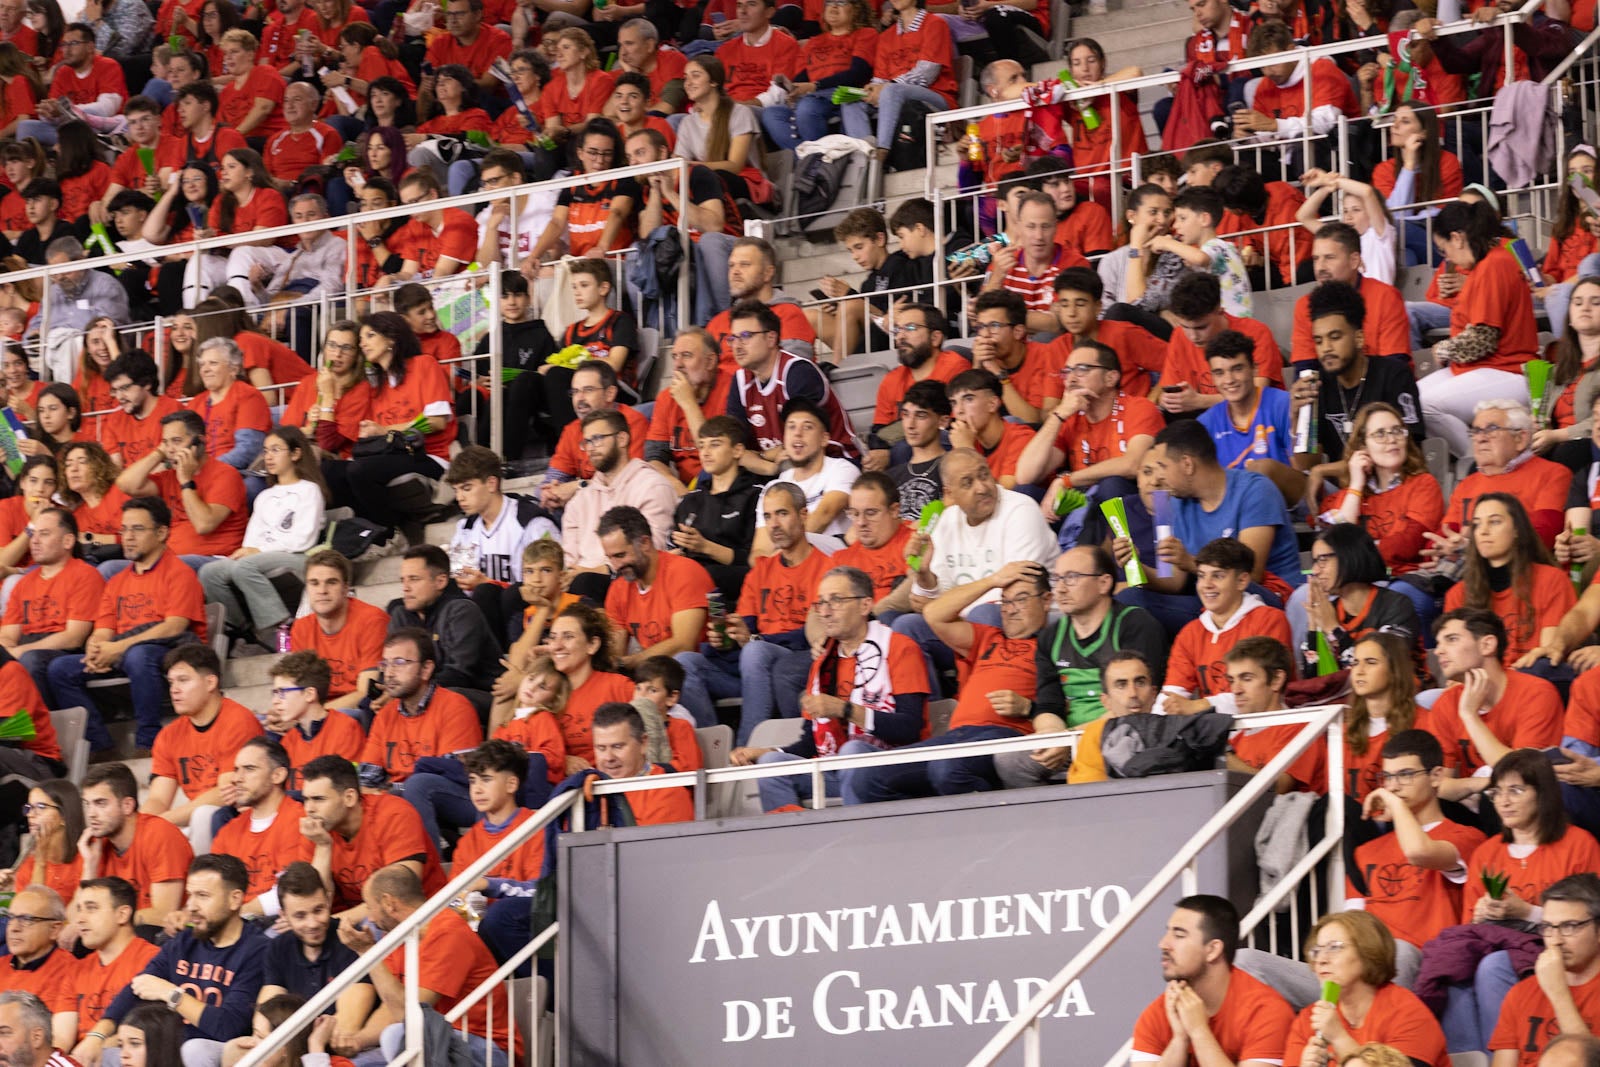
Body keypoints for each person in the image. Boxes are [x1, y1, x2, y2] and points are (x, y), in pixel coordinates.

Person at [852, 561, 1067, 803]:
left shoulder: (1057, 646)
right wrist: (992, 580)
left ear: (1047, 600)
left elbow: (1067, 707)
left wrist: (1027, 707)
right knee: (866, 776)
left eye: (1021, 599)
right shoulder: (989, 637)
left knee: (946, 768)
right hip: (956, 736)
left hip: (1005, 735)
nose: (1010, 609)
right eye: (1005, 601)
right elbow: (934, 614)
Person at [732, 565, 929, 810]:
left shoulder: (899, 647)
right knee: (772, 764)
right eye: (821, 603)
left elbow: (909, 729)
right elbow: (812, 741)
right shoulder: (824, 661)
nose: (825, 612)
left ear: (865, 605)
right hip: (837, 769)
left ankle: (857, 837)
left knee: (853, 751)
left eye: (836, 601)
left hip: (894, 768)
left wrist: (845, 710)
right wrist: (767, 750)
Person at [1446, 753, 1600, 1056]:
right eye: (1496, 792)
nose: (1503, 801)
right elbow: (1469, 929)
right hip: (1498, 944)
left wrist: (1526, 911)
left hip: (1554, 946)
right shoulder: (1486, 853)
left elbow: (1590, 917)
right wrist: (1480, 916)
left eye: (1515, 790)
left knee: (1494, 966)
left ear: (1543, 793)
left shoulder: (1579, 844)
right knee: (1450, 971)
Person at [49, 496, 207, 755]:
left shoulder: (180, 573)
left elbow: (174, 627)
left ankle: (147, 741)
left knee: (138, 655)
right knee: (59, 669)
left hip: (169, 653)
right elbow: (102, 630)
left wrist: (118, 647)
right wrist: (96, 650)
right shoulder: (117, 581)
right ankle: (101, 747)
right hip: (122, 652)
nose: (127, 537)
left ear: (162, 532)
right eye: (124, 529)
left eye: (137, 529)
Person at [1117, 420, 1304, 634]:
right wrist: (1134, 566)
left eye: (1163, 468)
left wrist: (1190, 562)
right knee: (1129, 599)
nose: (1160, 478)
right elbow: (1174, 582)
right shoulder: (1176, 503)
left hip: (1264, 601)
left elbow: (1249, 576)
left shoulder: (1255, 490)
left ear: (1187, 464)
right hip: (1209, 603)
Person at [676, 482, 829, 739]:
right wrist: (727, 639)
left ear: (803, 515)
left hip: (795, 663)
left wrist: (755, 640)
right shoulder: (761, 570)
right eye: (767, 517)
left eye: (782, 513)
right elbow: (746, 627)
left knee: (756, 651)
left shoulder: (827, 568)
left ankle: (745, 751)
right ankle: (715, 748)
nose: (774, 525)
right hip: (751, 668)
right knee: (685, 662)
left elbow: (815, 637)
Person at [88, 854, 263, 1065]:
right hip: (172, 1046)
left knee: (195, 1050)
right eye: (190, 895)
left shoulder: (257, 950)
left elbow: (228, 1026)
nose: (191, 905)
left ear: (234, 899)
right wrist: (97, 1036)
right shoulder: (185, 940)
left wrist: (171, 994)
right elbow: (137, 987)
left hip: (220, 1051)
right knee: (109, 1054)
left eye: (203, 895)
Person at [336, 864, 517, 1067]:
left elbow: (411, 1015)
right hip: (438, 1040)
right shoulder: (400, 937)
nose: (369, 918)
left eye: (370, 907)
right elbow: (391, 1006)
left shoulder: (448, 932)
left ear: (389, 903)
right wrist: (358, 1040)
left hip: (487, 1048)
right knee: (352, 1064)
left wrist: (367, 953)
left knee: (395, 1036)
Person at [1349, 729, 1486, 982]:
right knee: (1251, 961)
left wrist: (1395, 804)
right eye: (1387, 777)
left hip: (1425, 963)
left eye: (1405, 775)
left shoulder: (1467, 838)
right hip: (1364, 970)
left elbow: (1418, 852)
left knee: (1398, 951)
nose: (1393, 786)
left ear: (1436, 776)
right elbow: (1352, 925)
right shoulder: (1366, 851)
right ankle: (1335, 1005)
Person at [1421, 199, 1541, 458]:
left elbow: (1482, 340)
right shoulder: (1485, 263)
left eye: (1444, 250)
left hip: (1510, 370)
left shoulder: (1494, 264)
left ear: (1457, 238)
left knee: (1425, 405)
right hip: (1488, 367)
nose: (1448, 258)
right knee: (1410, 397)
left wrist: (1443, 349)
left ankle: (1479, 462)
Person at [198, 426, 327, 652]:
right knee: (210, 572)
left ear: (295, 454)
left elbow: (303, 539)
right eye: (266, 451)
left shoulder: (310, 490)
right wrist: (246, 551)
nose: (268, 457)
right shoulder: (264, 496)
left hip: (297, 556)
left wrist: (257, 553)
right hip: (260, 557)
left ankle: (277, 627)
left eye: (276, 450)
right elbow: (252, 538)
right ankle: (243, 629)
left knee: (244, 566)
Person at [1130, 894, 1294, 1065]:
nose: (1163, 944)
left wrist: (1199, 1031)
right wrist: (1180, 1040)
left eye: (1179, 935)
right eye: (1167, 933)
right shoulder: (1159, 1013)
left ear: (1212, 950)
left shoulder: (1267, 1011)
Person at [1281, 911, 1448, 1067]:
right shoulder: (1308, 1020)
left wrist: (1339, 1038)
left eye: (1334, 947)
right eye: (1316, 951)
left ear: (1367, 951)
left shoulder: (1407, 1012)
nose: (1321, 959)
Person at [1292, 285, 1424, 475]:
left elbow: (1403, 451)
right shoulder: (1318, 385)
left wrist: (1324, 470)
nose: (1326, 348)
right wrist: (1299, 419)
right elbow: (1306, 465)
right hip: (1341, 492)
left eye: (1335, 337)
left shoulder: (1394, 375)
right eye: (1319, 341)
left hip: (1390, 484)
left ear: (1359, 338)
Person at [144, 645, 262, 851]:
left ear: (210, 682)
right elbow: (158, 798)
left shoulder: (238, 721)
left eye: (183, 680)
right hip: (194, 818)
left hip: (240, 816)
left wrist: (163, 823)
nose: (174, 689)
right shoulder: (169, 735)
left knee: (203, 815)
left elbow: (225, 794)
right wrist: (142, 826)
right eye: (171, 682)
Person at [298, 754, 446, 916]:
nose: (309, 809)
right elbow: (315, 906)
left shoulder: (394, 814)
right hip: (352, 922)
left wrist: (333, 922)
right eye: (306, 799)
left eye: (318, 799)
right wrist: (323, 847)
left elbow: (399, 896)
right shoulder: (317, 831)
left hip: (418, 916)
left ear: (349, 797)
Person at [1159, 538, 1294, 714]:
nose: (1206, 585)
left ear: (1242, 581)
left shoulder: (1269, 620)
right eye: (1201, 576)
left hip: (1270, 726)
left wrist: (1198, 706)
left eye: (1218, 576)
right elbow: (1171, 695)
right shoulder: (1190, 632)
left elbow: (1259, 694)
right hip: (1216, 731)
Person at [1428, 610, 1564, 781]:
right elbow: (1437, 785)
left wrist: (1470, 716)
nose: (1438, 651)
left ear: (1487, 645)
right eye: (1438, 643)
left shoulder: (1537, 694)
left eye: (1452, 639)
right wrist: (1473, 786)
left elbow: (1523, 778)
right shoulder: (1446, 703)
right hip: (1469, 801)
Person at [442, 445, 558, 645]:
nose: (460, 497)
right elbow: (461, 579)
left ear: (491, 483)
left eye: (467, 488)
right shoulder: (466, 528)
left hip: (531, 612)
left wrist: (488, 583)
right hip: (488, 612)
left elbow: (548, 581)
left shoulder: (531, 521)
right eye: (456, 490)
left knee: (491, 593)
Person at [725, 300, 860, 471]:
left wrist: (758, 457)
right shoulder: (740, 380)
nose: (737, 345)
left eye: (745, 336)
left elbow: (802, 442)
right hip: (778, 466)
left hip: (834, 461)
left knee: (788, 466)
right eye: (732, 338)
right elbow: (733, 448)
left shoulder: (797, 372)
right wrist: (765, 462)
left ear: (771, 338)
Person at [1444, 494, 1574, 667]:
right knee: (1428, 696)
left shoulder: (1552, 580)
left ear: (1517, 530)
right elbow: (1457, 666)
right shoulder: (1458, 594)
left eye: (1495, 521)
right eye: (1477, 524)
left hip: (1532, 682)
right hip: (1478, 686)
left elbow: (1548, 655)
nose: (1483, 531)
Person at [558, 409, 679, 592]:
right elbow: (568, 560)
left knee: (585, 582)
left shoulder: (652, 486)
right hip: (580, 585)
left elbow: (650, 552)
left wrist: (595, 571)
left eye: (597, 438)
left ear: (622, 439)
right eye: (586, 442)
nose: (590, 448)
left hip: (629, 581)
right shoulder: (580, 500)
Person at [113, 409, 249, 571]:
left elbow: (204, 524)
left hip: (213, 560)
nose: (170, 449)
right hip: (168, 559)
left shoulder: (225, 475)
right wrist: (159, 453)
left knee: (167, 566)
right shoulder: (169, 476)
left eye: (176, 441)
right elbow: (126, 484)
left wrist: (186, 481)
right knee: (109, 569)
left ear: (200, 442)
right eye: (166, 442)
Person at [254, 863, 374, 1047]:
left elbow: (347, 1027)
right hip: (291, 1050)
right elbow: (265, 1018)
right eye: (300, 916)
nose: (312, 924)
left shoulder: (351, 941)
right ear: (284, 915)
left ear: (327, 901)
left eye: (318, 910)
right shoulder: (278, 947)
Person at [1487, 874, 1600, 1067]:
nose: (1555, 940)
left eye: (1570, 926)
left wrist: (1558, 994)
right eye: (1548, 927)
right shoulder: (1520, 994)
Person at [1288, 523, 1422, 674]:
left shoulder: (1396, 606)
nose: (1315, 570)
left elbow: (1379, 672)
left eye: (1323, 560)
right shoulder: (1328, 610)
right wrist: (1314, 628)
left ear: (1349, 556)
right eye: (1315, 562)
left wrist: (1333, 629)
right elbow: (1312, 679)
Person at [0, 507, 103, 702]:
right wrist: (7, 650)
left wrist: (20, 651)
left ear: (68, 541)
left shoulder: (85, 575)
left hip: (64, 652)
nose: (35, 541)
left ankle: (38, 730)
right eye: (33, 534)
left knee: (29, 660)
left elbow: (74, 638)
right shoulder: (24, 584)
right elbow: (7, 635)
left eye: (44, 534)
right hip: (27, 647)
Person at [362, 626, 485, 789]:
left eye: (399, 663)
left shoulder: (455, 707)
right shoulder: (385, 714)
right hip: (394, 803)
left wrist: (389, 791)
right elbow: (367, 780)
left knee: (419, 785)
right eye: (385, 664)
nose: (389, 673)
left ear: (426, 669)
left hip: (442, 804)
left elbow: (448, 782)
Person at [76, 763, 191, 936]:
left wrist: (103, 920)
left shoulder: (159, 834)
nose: (91, 814)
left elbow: (163, 915)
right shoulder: (97, 846)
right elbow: (77, 917)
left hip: (167, 937)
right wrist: (89, 868)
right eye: (87, 804)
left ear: (127, 805)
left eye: (100, 803)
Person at [599, 505, 713, 674]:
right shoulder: (619, 589)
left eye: (621, 555)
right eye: (610, 558)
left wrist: (631, 662)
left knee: (684, 661)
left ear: (645, 543)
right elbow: (615, 653)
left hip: (703, 669)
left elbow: (684, 644)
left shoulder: (684, 572)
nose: (616, 566)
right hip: (656, 678)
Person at [1196, 330, 1305, 507]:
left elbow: (1302, 470)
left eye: (1237, 369)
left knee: (1262, 469)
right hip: (1237, 512)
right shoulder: (1206, 423)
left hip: (1292, 502)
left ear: (1254, 368)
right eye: (1219, 373)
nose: (1229, 380)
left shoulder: (1283, 403)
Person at [209, 738, 313, 920]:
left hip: (279, 922)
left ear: (278, 776)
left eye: (249, 769)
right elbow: (213, 890)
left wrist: (230, 917)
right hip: (236, 923)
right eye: (236, 770)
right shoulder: (228, 831)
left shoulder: (301, 821)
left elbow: (290, 892)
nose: (236, 779)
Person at [387, 545, 501, 707]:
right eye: (403, 580)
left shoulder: (462, 611)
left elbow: (459, 673)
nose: (405, 587)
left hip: (479, 695)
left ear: (440, 581)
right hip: (425, 693)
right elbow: (392, 666)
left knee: (444, 697)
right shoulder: (402, 615)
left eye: (414, 579)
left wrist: (411, 691)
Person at [805, 206, 925, 361]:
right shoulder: (867, 284)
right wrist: (838, 309)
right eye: (851, 251)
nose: (855, 256)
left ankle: (837, 369)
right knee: (811, 316)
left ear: (880, 239)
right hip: (868, 337)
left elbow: (896, 313)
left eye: (859, 247)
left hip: (896, 333)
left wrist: (850, 297)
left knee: (850, 305)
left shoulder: (902, 264)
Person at [1156, 270, 1281, 416]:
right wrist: (1171, 400)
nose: (1193, 336)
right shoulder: (1178, 336)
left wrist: (1200, 401)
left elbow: (1257, 394)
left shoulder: (1256, 332)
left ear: (1219, 310)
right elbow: (1169, 387)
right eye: (1185, 327)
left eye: (1201, 327)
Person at [1289, 227, 1412, 371]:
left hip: (1383, 386)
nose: (1320, 267)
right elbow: (1305, 367)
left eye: (1329, 258)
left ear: (1354, 261)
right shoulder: (1304, 305)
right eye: (1316, 259)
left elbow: (1395, 364)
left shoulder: (1385, 297)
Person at [62, 878, 160, 1056]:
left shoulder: (153, 961)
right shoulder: (76, 968)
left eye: (91, 908)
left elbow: (149, 1032)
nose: (80, 919)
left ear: (122, 914)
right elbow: (61, 1037)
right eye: (79, 909)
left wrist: (98, 1047)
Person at [669, 415, 764, 597]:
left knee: (706, 578)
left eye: (715, 444)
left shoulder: (756, 496)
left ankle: (717, 623)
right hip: (690, 580)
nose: (705, 453)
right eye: (702, 445)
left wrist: (705, 547)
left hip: (733, 583)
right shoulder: (690, 501)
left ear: (737, 450)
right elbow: (673, 547)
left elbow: (755, 560)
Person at [867, 303, 966, 468]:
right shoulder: (891, 379)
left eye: (910, 328)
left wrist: (888, 447)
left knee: (904, 449)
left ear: (935, 338)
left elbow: (952, 423)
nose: (900, 337)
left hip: (947, 448)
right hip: (904, 453)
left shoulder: (954, 366)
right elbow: (880, 432)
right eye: (897, 330)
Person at [289, 550, 388, 712]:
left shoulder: (372, 620)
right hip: (316, 711)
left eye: (331, 582)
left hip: (357, 711)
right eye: (314, 583)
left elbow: (365, 694)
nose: (322, 590)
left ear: (345, 588)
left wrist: (312, 714)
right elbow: (299, 691)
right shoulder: (301, 628)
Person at [1132, 187, 1251, 322]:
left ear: (1204, 219)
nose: (1176, 225)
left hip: (1232, 320)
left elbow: (1200, 258)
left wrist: (1167, 244)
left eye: (1182, 218)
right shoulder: (1223, 248)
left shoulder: (1217, 246)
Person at [753, 399, 860, 547]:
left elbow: (823, 516)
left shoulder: (842, 469)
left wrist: (784, 556)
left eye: (807, 427)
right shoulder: (773, 488)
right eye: (791, 427)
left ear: (824, 439)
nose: (797, 433)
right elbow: (760, 550)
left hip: (835, 560)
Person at [703, 238, 816, 368]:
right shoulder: (716, 323)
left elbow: (792, 371)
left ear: (768, 273)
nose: (735, 272)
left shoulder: (788, 314)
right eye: (731, 265)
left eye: (744, 264)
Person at [645, 327, 732, 490]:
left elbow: (719, 454)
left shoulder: (731, 389)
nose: (678, 365)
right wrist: (676, 487)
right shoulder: (666, 397)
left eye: (687, 356)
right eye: (674, 357)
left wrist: (688, 403)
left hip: (723, 482)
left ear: (710, 362)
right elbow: (655, 457)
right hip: (685, 488)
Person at [1062, 651, 1160, 784]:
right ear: (1106, 701)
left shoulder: (1175, 728)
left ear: (1154, 693)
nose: (1133, 693)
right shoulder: (1095, 735)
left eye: (1140, 683)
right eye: (1121, 685)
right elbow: (1087, 794)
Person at [943, 368, 1037, 490]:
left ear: (992, 404)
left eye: (968, 399)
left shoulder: (1022, 437)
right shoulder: (966, 439)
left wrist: (967, 450)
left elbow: (1002, 496)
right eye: (954, 403)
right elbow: (951, 499)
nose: (958, 411)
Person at [829, 473, 914, 606]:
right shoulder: (841, 560)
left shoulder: (913, 543)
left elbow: (918, 589)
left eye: (871, 513)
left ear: (894, 510)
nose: (861, 522)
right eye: (855, 514)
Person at [888, 380, 950, 520]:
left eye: (921, 415)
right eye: (906, 415)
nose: (910, 425)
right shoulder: (891, 476)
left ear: (943, 421)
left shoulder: (953, 468)